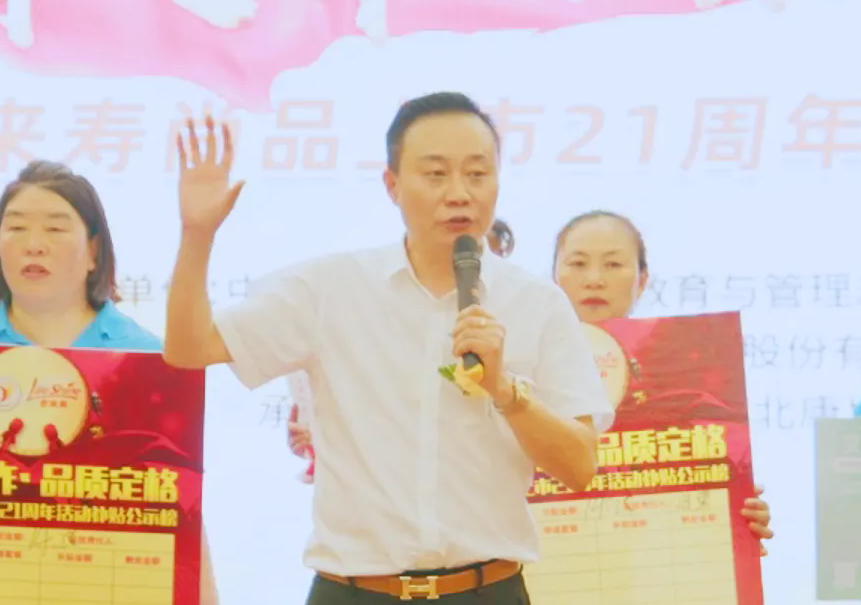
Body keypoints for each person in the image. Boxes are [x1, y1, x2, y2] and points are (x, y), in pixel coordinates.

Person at [163, 92, 611, 604]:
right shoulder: (331, 288)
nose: (459, 193)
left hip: (487, 590)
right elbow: (189, 348)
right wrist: (197, 235)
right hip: (354, 591)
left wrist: (506, 391)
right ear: (392, 185)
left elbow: (580, 465)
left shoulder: (538, 304)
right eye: (436, 174)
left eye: (477, 174)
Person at [0, 160, 220, 605]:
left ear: (94, 251)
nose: (33, 244)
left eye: (55, 229)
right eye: (15, 228)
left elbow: (180, 501)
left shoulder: (149, 361)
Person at [552, 209, 774, 555]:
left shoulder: (689, 376)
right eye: (578, 263)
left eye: (613, 264)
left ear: (642, 280)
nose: (594, 279)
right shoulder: (515, 366)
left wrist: (735, 520)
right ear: (554, 278)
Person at [287, 217, 516, 467]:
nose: (468, 268)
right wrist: (316, 438)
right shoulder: (390, 318)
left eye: (482, 254)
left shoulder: (517, 316)